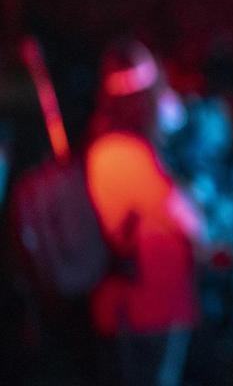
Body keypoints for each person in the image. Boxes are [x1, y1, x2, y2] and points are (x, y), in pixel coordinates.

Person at [84, 39, 201, 386]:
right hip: (152, 306)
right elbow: (188, 220)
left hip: (132, 305)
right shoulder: (128, 154)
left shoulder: (104, 148)